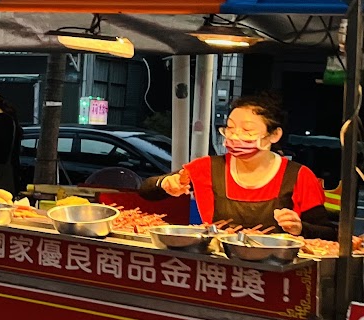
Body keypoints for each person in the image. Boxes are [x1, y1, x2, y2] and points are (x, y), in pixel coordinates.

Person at [141, 93, 330, 235]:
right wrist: (165, 184)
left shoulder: (298, 176)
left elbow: (327, 233)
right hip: (219, 264)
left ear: (274, 135)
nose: (235, 136)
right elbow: (147, 190)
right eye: (230, 128)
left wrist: (300, 228)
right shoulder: (208, 167)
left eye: (247, 130)